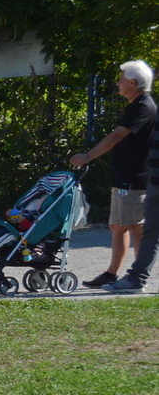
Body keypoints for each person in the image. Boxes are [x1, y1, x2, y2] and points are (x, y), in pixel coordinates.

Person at [74, 61, 154, 289]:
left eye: (120, 79)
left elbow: (118, 135)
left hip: (136, 179)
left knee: (136, 226)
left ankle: (137, 277)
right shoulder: (134, 105)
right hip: (123, 177)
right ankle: (111, 273)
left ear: (132, 82)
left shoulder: (143, 107)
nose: (117, 82)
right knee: (118, 226)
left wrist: (88, 156)